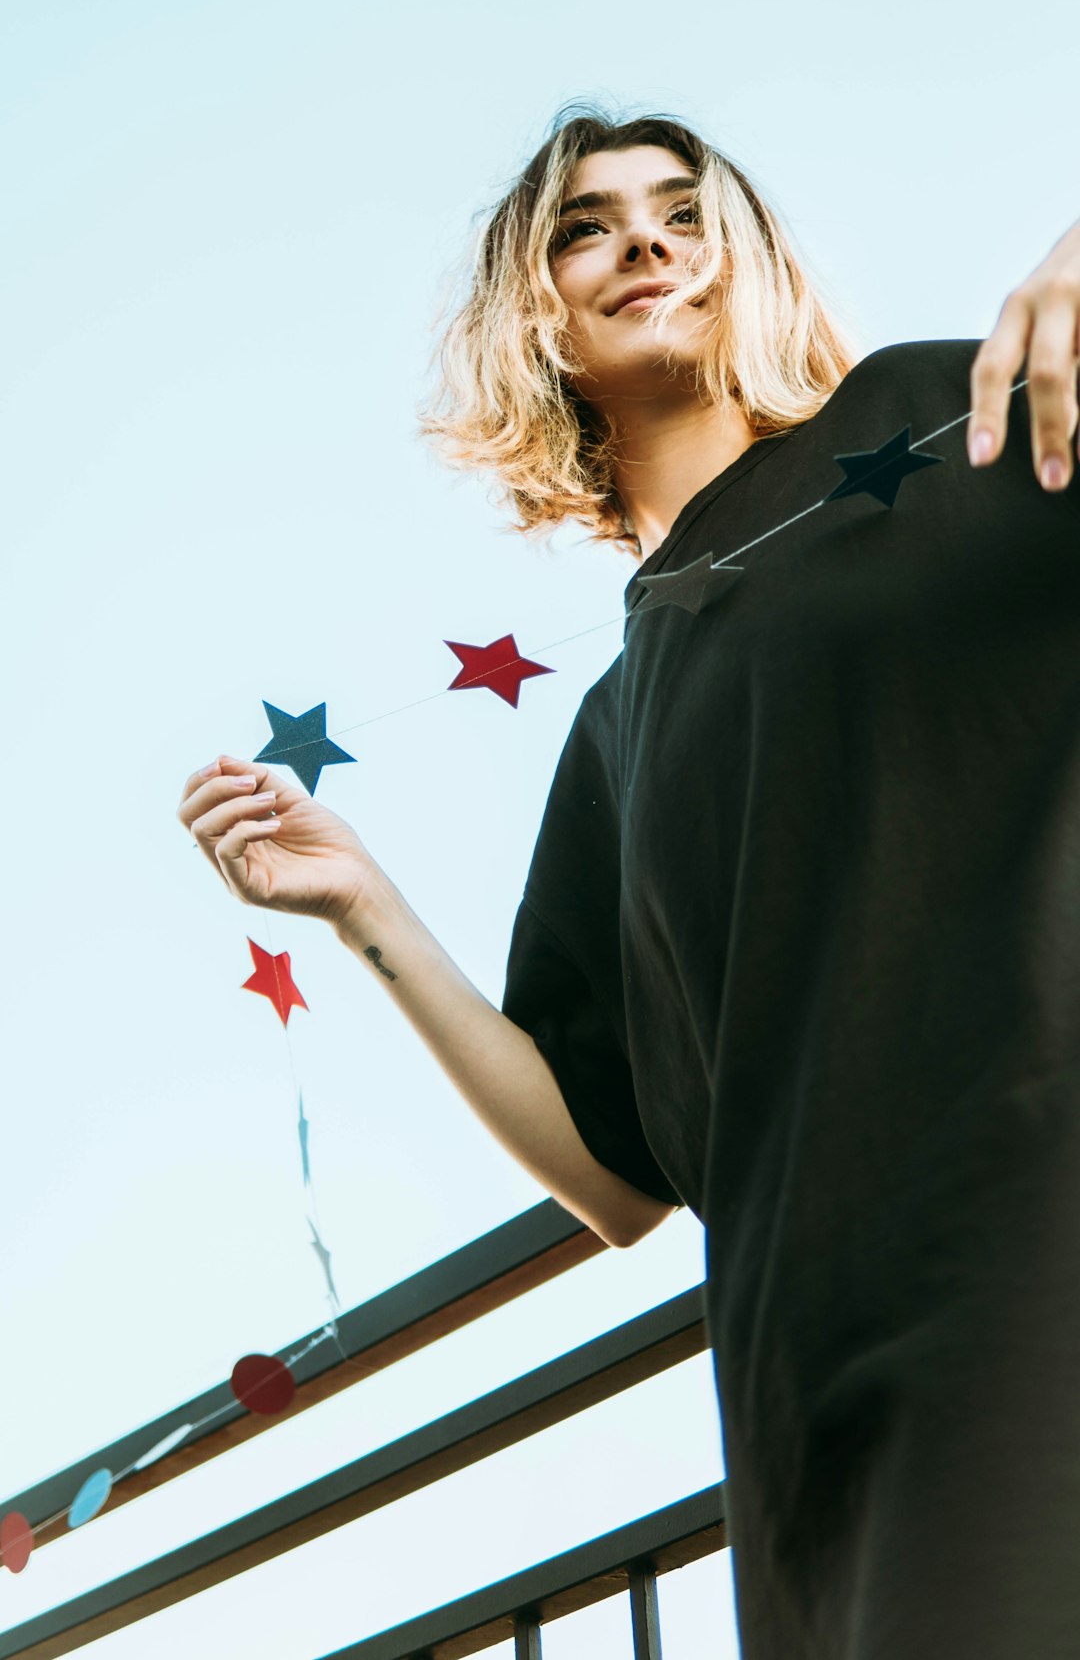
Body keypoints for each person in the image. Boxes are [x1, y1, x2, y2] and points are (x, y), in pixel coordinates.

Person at [178, 109, 1080, 1658]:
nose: (647, 240)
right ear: (537, 321)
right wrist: (367, 912)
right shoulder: (616, 728)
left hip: (1036, 1266)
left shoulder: (946, 417)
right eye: (588, 228)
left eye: (683, 210)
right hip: (809, 1389)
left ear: (746, 261)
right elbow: (611, 1172)